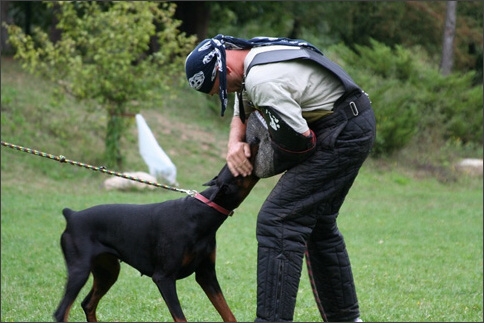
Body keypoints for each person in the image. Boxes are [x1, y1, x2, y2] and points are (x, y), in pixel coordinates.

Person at [185, 34, 376, 322]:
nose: (216, 96)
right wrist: (235, 144)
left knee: (278, 219)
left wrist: (256, 163)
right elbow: (244, 105)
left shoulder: (262, 79)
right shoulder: (252, 58)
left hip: (342, 131)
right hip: (349, 120)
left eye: (218, 89)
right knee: (318, 224)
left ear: (226, 70)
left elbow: (299, 143)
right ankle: (347, 319)